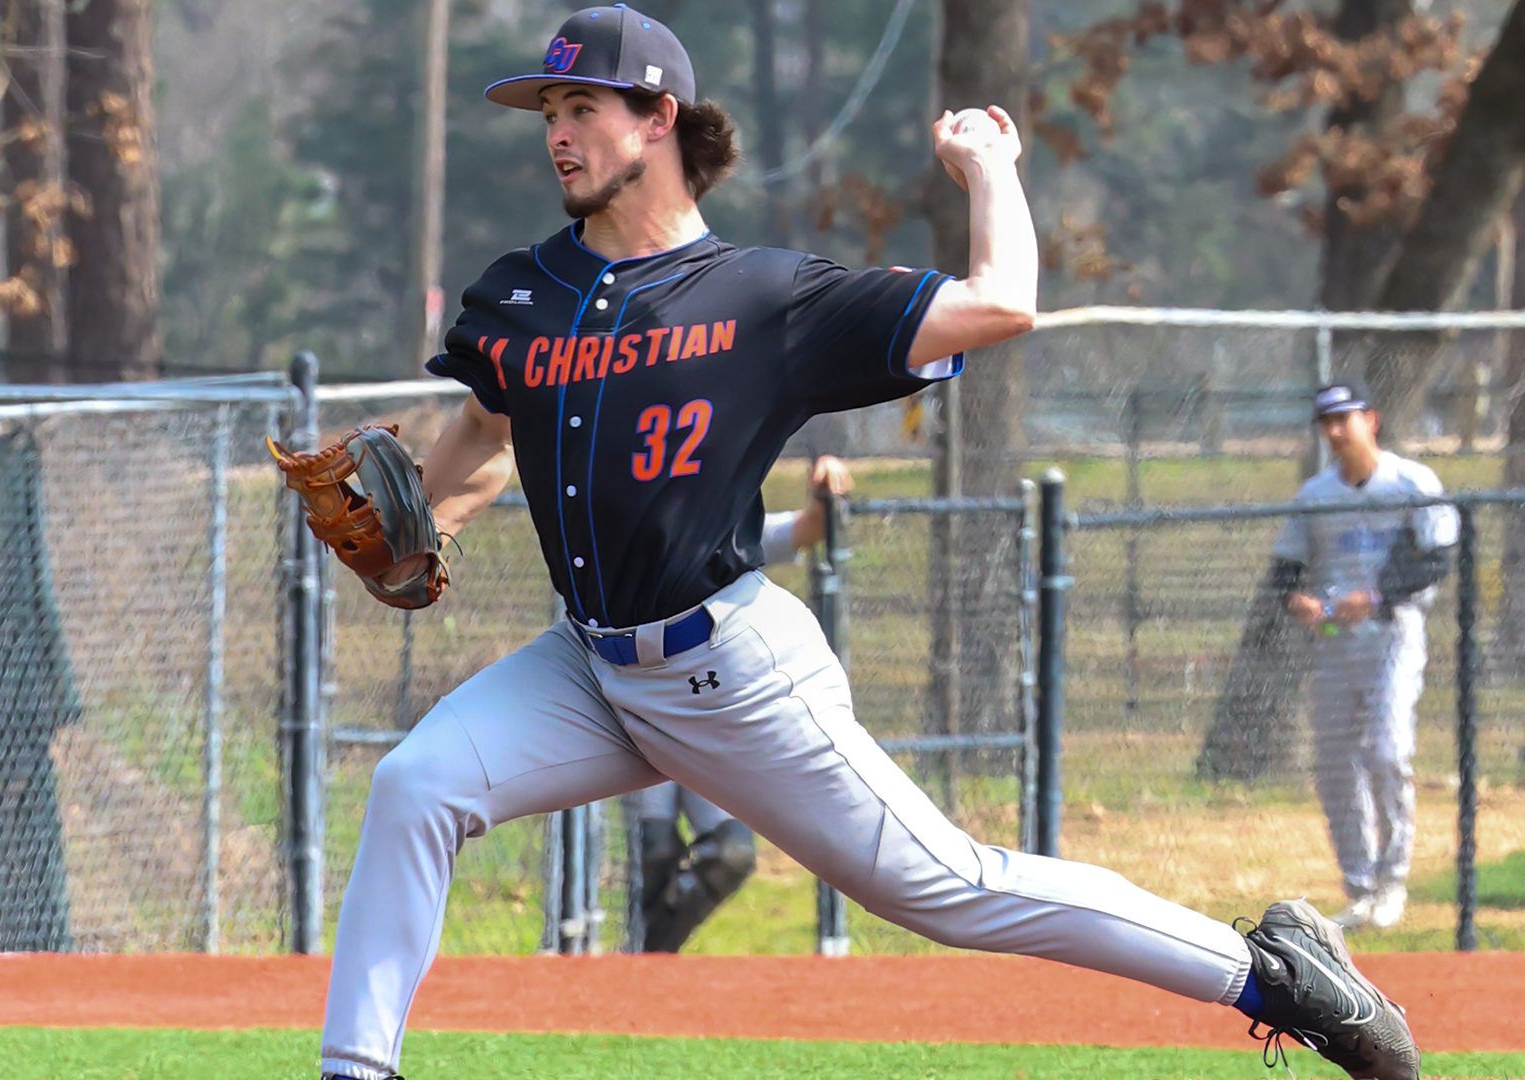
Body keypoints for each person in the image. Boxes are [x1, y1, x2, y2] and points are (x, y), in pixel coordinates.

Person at [318, 8, 1419, 1080]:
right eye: (546, 109)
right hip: (589, 667)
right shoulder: (527, 292)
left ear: (657, 119)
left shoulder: (763, 297)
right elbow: (483, 436)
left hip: (730, 673)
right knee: (417, 784)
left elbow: (1002, 305)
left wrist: (989, 167)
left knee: (948, 886)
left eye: (579, 105)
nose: (555, 130)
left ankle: (1277, 980)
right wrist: (419, 526)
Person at [636, 455, 852, 953]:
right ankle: (626, 974)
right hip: (637, 714)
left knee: (731, 854)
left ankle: (649, 961)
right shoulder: (630, 536)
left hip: (708, 718)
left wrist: (825, 489)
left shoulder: (727, 533)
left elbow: (809, 528)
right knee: (652, 853)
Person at [1273, 382, 1457, 932]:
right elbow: (1284, 567)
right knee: (1334, 764)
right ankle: (1359, 887)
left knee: (1385, 748)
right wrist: (1296, 598)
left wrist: (1377, 597)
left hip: (1391, 634)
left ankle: (1392, 879)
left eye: (1344, 419)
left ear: (1370, 420)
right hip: (1333, 643)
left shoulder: (1411, 482)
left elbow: (1439, 558)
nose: (1335, 431)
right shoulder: (1315, 494)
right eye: (1325, 422)